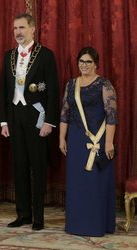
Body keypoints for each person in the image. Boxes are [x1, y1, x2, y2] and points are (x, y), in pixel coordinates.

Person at [0, 13, 59, 231]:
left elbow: (53, 91)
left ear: (33, 29)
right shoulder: (8, 56)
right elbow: (5, 91)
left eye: (22, 27)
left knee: (38, 167)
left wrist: (49, 122)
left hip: (37, 117)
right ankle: (23, 214)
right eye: (15, 28)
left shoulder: (46, 55)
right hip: (15, 116)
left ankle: (38, 217)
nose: (18, 32)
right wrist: (3, 121)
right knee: (20, 167)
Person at [59, 46, 117, 236]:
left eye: (88, 62)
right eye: (81, 61)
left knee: (95, 184)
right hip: (76, 140)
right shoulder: (71, 85)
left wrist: (109, 142)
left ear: (96, 64)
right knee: (77, 184)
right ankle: (76, 225)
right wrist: (61, 138)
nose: (84, 65)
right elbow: (64, 114)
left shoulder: (104, 85)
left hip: (98, 141)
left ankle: (97, 225)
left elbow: (112, 116)